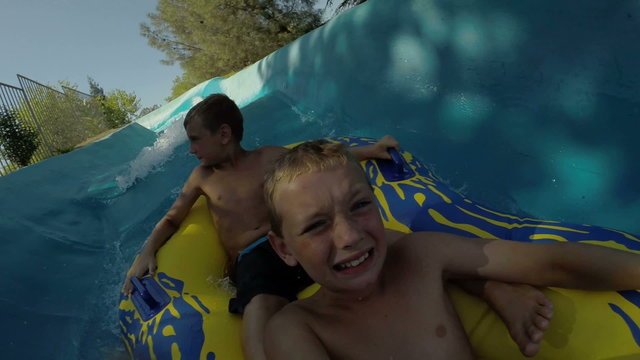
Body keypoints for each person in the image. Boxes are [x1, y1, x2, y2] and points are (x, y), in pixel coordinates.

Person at [264, 140, 640, 360]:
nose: (348, 236)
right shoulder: (296, 329)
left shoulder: (421, 257)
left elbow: (552, 263)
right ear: (284, 249)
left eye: (360, 206)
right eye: (316, 225)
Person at [121, 93, 401, 359]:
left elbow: (323, 165)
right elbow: (172, 218)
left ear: (223, 134)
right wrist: (148, 251)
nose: (191, 150)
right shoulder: (202, 178)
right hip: (254, 258)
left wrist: (372, 150)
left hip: (293, 243)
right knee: (260, 305)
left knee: (382, 242)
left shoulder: (269, 158)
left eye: (195, 140)